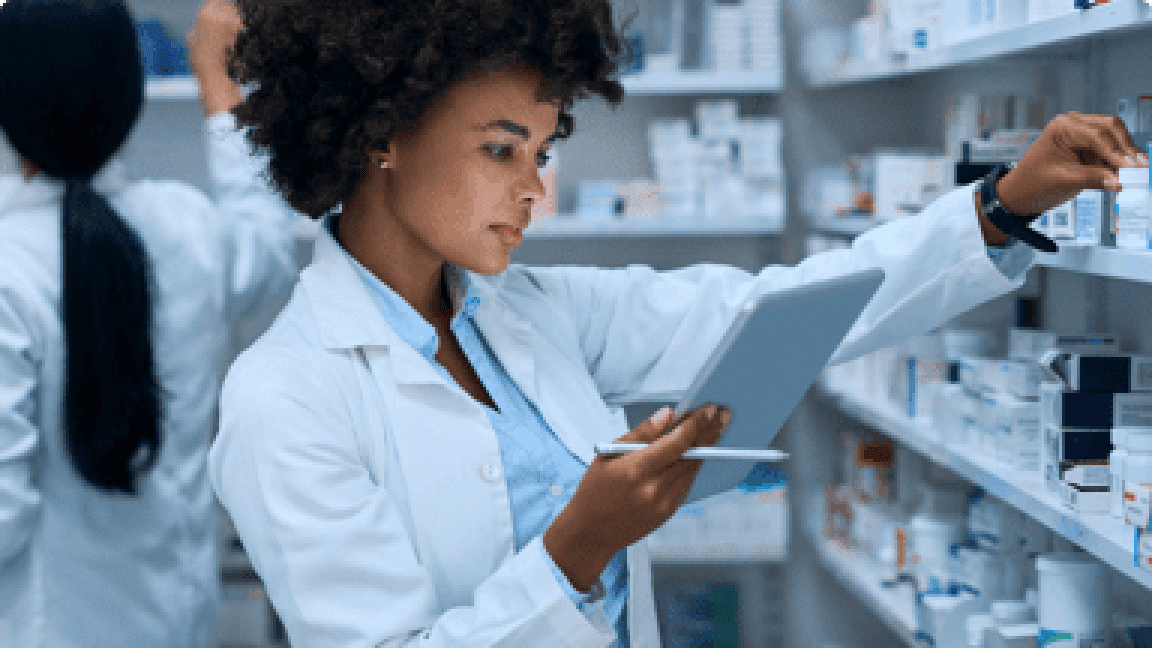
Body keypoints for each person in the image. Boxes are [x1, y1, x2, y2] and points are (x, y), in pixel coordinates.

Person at [205, 0, 1146, 646]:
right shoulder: (285, 399)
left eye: (541, 149)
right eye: (500, 150)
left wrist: (1005, 203)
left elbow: (776, 311)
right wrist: (580, 544)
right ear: (381, 134)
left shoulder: (528, 315)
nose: (536, 188)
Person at [0, 0, 303, 645]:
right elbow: (271, 247)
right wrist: (219, 84)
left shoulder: (8, 262)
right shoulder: (187, 228)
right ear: (131, 99)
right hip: (177, 626)